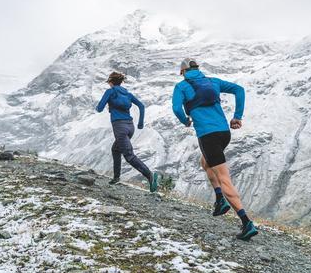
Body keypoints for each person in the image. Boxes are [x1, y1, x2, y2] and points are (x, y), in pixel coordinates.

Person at [172, 59, 258, 240]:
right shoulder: (213, 81)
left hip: (207, 135)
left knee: (223, 178)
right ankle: (219, 199)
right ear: (197, 69)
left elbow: (176, 108)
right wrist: (237, 117)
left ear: (183, 72)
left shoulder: (181, 87)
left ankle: (246, 222)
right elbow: (239, 90)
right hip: (224, 133)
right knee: (205, 162)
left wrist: (185, 120)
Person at [96, 71, 160, 192]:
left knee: (129, 155)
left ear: (110, 82)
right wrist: (140, 123)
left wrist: (100, 106)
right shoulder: (128, 94)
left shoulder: (110, 92)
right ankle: (116, 177)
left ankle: (150, 176)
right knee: (115, 149)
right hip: (130, 127)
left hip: (119, 127)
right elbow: (141, 106)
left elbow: (99, 109)